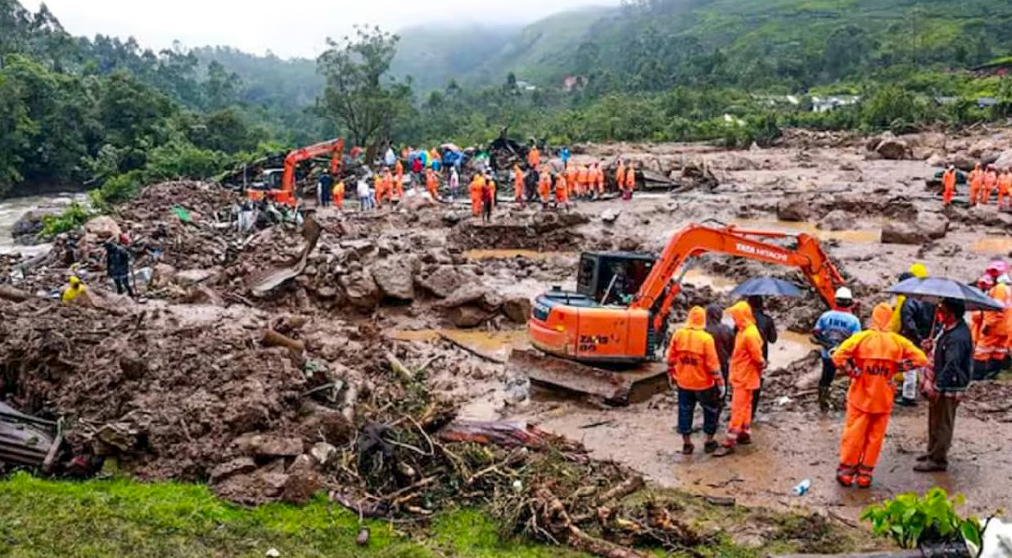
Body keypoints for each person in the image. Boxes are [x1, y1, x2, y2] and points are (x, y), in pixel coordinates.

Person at [832, 303, 928, 488]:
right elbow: (921, 359)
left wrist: (851, 371)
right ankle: (864, 476)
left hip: (860, 395)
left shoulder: (862, 338)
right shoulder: (898, 341)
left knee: (854, 435)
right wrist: (898, 368)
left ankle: (846, 472)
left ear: (874, 318)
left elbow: (837, 357)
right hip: (884, 397)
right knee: (875, 438)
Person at [915, 298, 972, 472]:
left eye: (943, 310)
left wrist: (939, 386)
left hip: (949, 385)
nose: (939, 313)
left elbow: (952, 364)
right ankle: (932, 451)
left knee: (943, 422)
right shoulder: (948, 330)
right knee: (935, 418)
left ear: (951, 314)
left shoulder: (958, 337)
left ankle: (938, 459)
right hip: (942, 381)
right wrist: (930, 346)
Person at [668, 306, 724, 455]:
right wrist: (720, 383)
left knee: (685, 411)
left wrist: (672, 374)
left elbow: (671, 358)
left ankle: (687, 443)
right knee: (710, 410)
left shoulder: (678, 335)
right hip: (704, 384)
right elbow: (713, 364)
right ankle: (709, 441)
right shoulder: (706, 339)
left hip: (684, 382)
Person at [714, 301, 765, 456]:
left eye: (735, 316)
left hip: (744, 376)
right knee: (746, 406)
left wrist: (762, 364)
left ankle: (729, 440)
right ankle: (744, 432)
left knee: (737, 408)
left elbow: (757, 357)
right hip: (744, 375)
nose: (734, 319)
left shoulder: (749, 334)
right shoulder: (746, 331)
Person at [813, 287, 862, 413]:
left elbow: (816, 332)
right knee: (854, 377)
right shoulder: (853, 321)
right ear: (850, 302)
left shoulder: (826, 316)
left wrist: (828, 344)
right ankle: (854, 401)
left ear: (836, 300)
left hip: (828, 355)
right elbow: (856, 341)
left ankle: (823, 404)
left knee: (826, 379)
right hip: (846, 356)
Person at [746, 295, 778, 418]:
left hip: (744, 357)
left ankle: (743, 409)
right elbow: (773, 339)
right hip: (760, 357)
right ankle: (752, 412)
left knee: (743, 384)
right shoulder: (767, 320)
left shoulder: (743, 320)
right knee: (756, 383)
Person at [705, 304, 735, 390]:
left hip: (707, 363)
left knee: (709, 386)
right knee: (723, 384)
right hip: (723, 361)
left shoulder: (703, 330)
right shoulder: (727, 329)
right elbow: (732, 347)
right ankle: (722, 400)